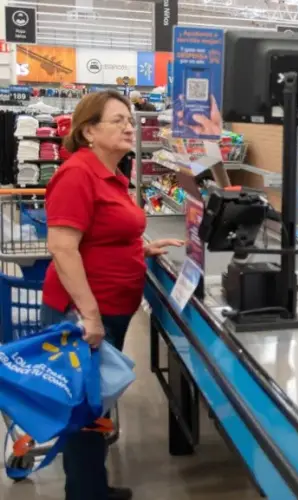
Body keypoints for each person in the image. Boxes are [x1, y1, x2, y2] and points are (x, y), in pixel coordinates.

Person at [41, 90, 183, 500]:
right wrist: (90, 315)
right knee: (85, 411)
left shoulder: (112, 173)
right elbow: (63, 247)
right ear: (88, 131)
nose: (129, 126)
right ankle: (85, 494)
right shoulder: (78, 174)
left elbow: (104, 234)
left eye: (130, 120)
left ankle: (93, 486)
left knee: (95, 406)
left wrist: (139, 249)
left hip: (111, 309)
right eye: (117, 120)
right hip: (82, 314)